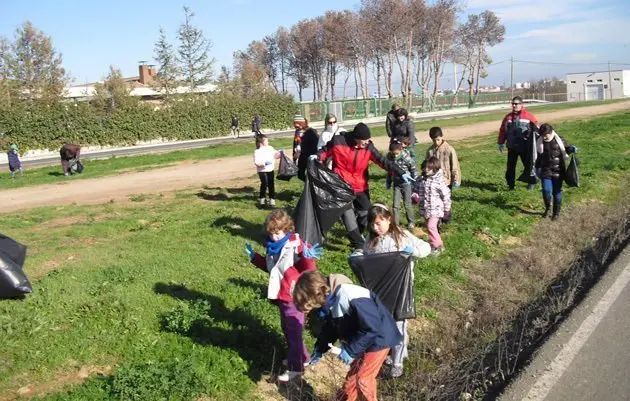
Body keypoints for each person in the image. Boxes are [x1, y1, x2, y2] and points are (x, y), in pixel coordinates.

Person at [293, 270, 401, 400]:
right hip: (363, 337)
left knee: (363, 379)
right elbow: (332, 327)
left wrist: (350, 350)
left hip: (380, 338)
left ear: (315, 294)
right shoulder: (329, 299)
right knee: (351, 380)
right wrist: (320, 349)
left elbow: (373, 327)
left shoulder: (349, 295)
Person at [244, 210, 323, 382]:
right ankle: (303, 358)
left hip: (294, 296)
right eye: (271, 233)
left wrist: (307, 256)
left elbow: (308, 266)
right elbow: (271, 269)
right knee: (288, 329)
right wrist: (254, 258)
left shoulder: (295, 245)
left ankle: (295, 370)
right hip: (281, 296)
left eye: (278, 233)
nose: (274, 237)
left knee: (294, 333)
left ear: (287, 230)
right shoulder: (272, 247)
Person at [315, 123, 414, 252]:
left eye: (368, 140)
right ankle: (358, 244)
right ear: (356, 138)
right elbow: (324, 151)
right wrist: (316, 157)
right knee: (348, 215)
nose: (367, 142)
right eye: (364, 140)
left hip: (360, 186)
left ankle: (358, 234)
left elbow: (382, 161)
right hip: (342, 187)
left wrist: (400, 172)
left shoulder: (368, 147)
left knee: (366, 213)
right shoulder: (338, 141)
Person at [362, 203, 430, 377]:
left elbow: (426, 248)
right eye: (373, 224)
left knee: (399, 325)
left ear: (389, 219)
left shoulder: (402, 236)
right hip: (381, 290)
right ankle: (390, 352)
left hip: (401, 290)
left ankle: (397, 361)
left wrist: (413, 251)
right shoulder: (370, 242)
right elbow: (366, 259)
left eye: (380, 223)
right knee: (384, 323)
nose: (376, 227)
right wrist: (359, 257)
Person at [535, 123, 577, 220]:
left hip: (559, 170)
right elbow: (537, 156)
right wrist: (536, 169)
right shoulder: (539, 141)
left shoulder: (560, 140)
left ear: (551, 132)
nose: (544, 137)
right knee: (546, 190)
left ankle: (556, 213)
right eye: (542, 135)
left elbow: (566, 149)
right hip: (546, 170)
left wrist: (571, 149)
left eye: (546, 135)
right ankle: (548, 208)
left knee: (557, 193)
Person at [497, 96, 539, 190]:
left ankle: (531, 183)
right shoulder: (508, 117)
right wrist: (500, 142)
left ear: (521, 105)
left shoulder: (529, 116)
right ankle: (511, 185)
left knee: (528, 166)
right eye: (513, 104)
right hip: (512, 147)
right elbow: (503, 130)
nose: (514, 106)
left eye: (516, 104)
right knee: (510, 168)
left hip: (525, 147)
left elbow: (537, 129)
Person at [413, 157, 451, 256]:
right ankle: (438, 244)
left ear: (434, 169)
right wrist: (415, 197)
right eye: (425, 167)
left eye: (429, 168)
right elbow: (415, 190)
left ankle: (436, 246)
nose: (426, 170)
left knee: (431, 226)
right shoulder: (420, 179)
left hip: (436, 209)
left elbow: (446, 195)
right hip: (425, 208)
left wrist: (447, 210)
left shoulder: (439, 181)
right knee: (430, 227)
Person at [386, 138, 417, 229]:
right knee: (395, 205)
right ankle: (396, 224)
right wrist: (388, 181)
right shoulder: (390, 157)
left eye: (397, 154)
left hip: (406, 184)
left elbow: (413, 169)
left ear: (401, 150)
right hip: (396, 184)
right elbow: (389, 170)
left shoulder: (406, 157)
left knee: (407, 204)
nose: (395, 156)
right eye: (393, 154)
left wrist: (415, 182)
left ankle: (411, 222)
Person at [254, 135, 282, 208]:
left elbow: (275, 155)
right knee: (264, 184)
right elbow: (256, 162)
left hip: (270, 170)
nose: (268, 142)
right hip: (262, 171)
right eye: (266, 141)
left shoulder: (270, 148)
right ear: (261, 142)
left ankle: (272, 199)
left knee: (271, 184)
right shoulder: (257, 151)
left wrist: (280, 153)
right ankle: (262, 200)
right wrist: (264, 163)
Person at [293, 116, 319, 181]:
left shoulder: (311, 132)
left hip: (310, 156)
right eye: (295, 125)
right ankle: (308, 185)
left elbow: (316, 144)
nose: (296, 127)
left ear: (302, 123)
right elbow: (295, 144)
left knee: (312, 175)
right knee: (300, 174)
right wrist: (294, 156)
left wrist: (316, 156)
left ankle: (311, 188)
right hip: (301, 156)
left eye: (297, 124)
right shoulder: (297, 132)